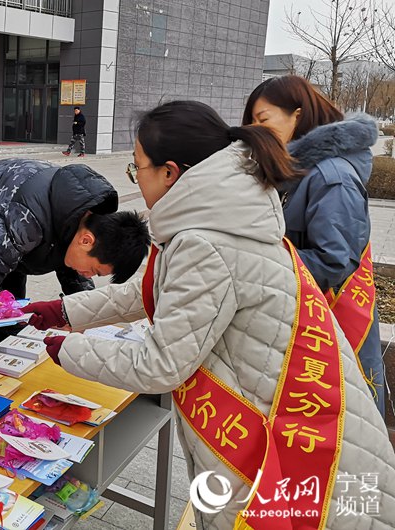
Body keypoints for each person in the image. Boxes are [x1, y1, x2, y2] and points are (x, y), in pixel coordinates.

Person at [24, 101, 395, 529]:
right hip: (297, 417)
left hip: (285, 436)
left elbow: (160, 366)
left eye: (136, 167)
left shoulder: (204, 240)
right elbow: (151, 291)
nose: (135, 177)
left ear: (170, 172)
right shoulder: (218, 217)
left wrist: (66, 348)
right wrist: (63, 308)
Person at [243, 75, 386, 416]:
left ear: (298, 114)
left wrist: (255, 260)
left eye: (263, 120)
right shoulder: (295, 169)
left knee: (335, 430)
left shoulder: (330, 175)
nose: (254, 129)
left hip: (328, 323)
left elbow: (335, 261)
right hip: (302, 319)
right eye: (250, 122)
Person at [0, 158, 149, 377]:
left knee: (6, 336)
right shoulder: (26, 216)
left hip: (4, 247)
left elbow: (75, 279)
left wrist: (83, 320)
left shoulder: (82, 217)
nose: (88, 275)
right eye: (95, 271)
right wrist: (25, 327)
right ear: (86, 241)